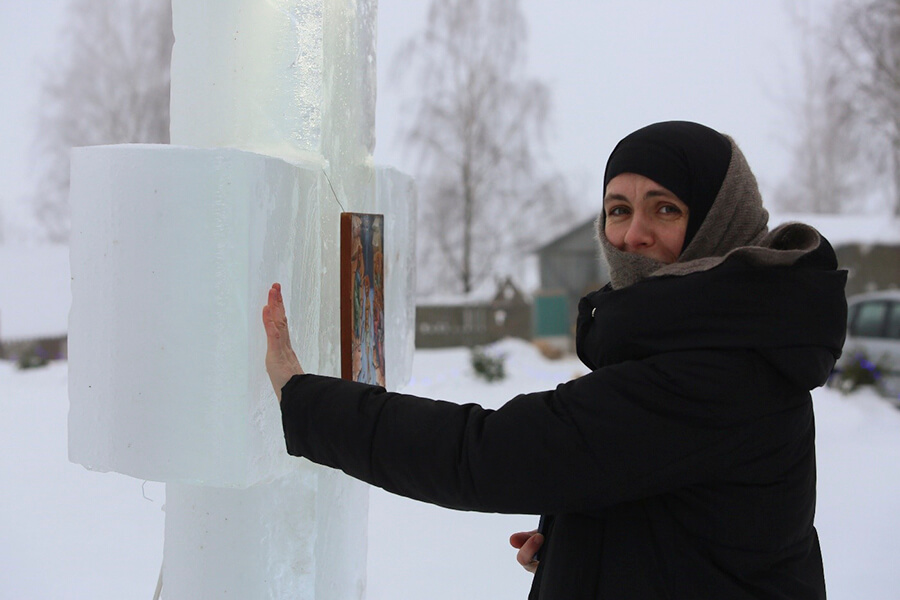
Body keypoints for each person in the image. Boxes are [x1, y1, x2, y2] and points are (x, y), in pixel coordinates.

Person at [263, 121, 846, 599]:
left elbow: (484, 455)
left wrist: (305, 399)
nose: (632, 234)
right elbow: (679, 508)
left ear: (721, 221)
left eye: (664, 208)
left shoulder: (717, 371)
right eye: (618, 209)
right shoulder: (717, 340)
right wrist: (583, 541)